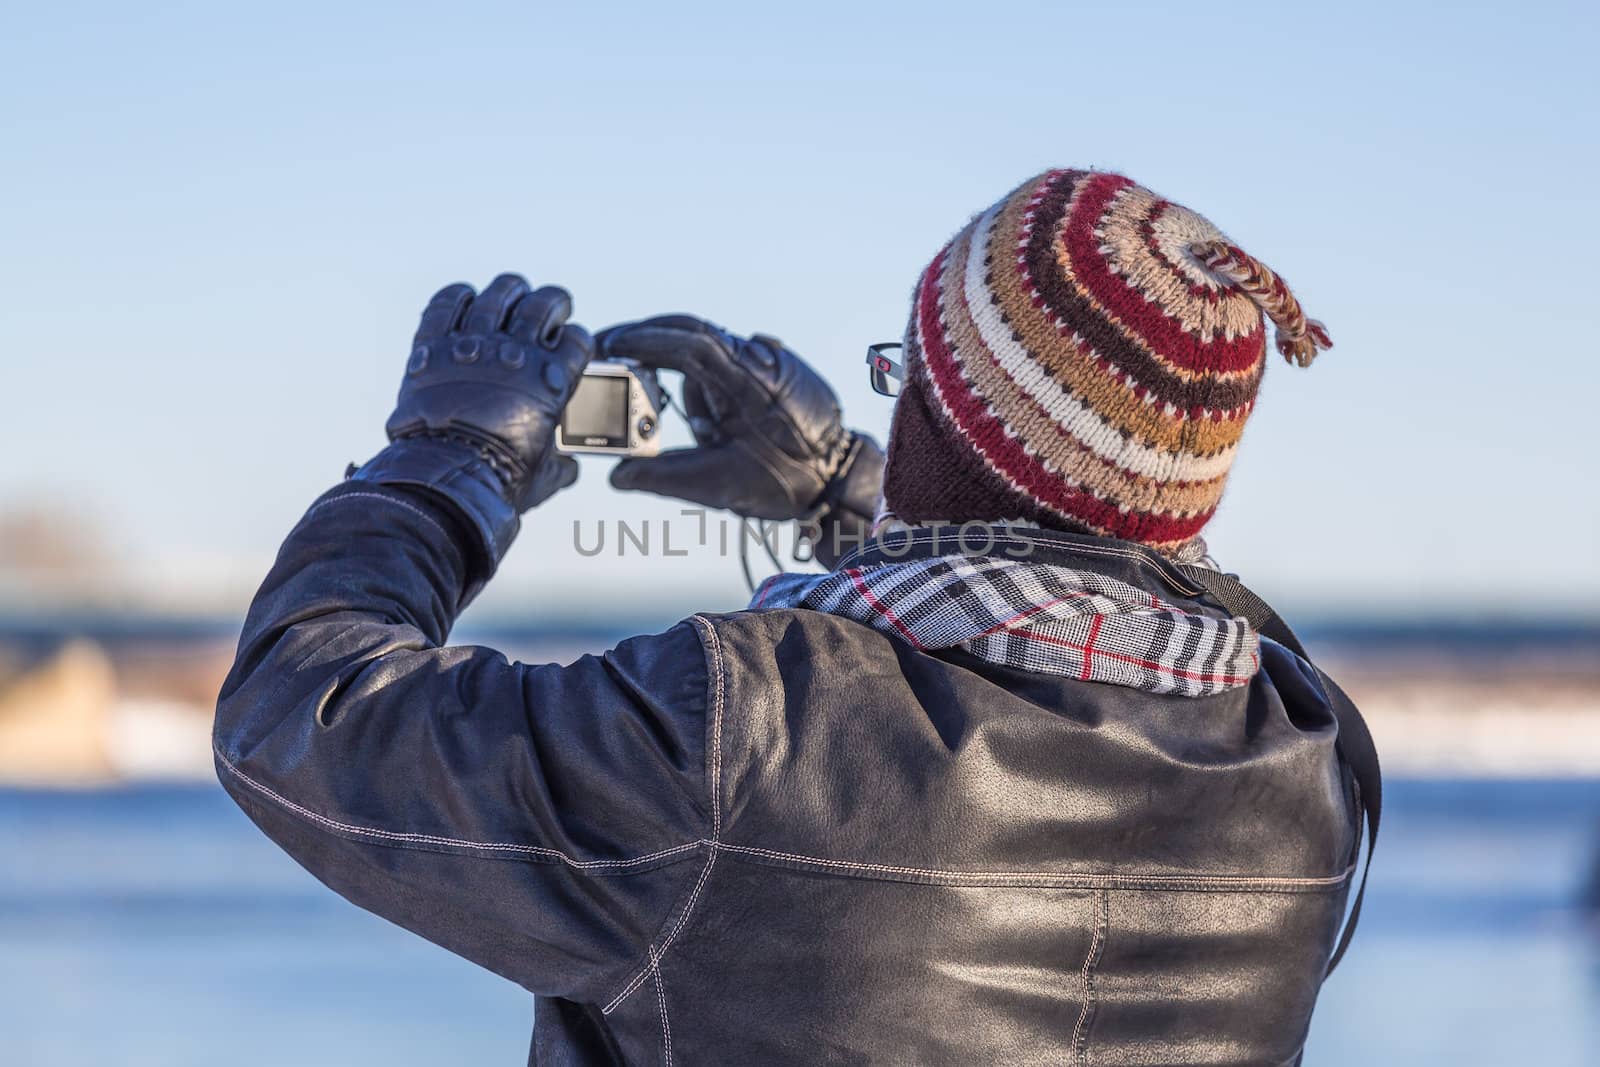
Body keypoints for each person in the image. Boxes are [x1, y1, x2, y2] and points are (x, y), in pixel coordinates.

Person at [215, 168, 1377, 1066]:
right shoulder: (1304, 759)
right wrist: (841, 492)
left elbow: (307, 711)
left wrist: (449, 457)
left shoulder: (741, 735)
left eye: (904, 377)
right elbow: (1051, 626)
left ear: (943, 416)